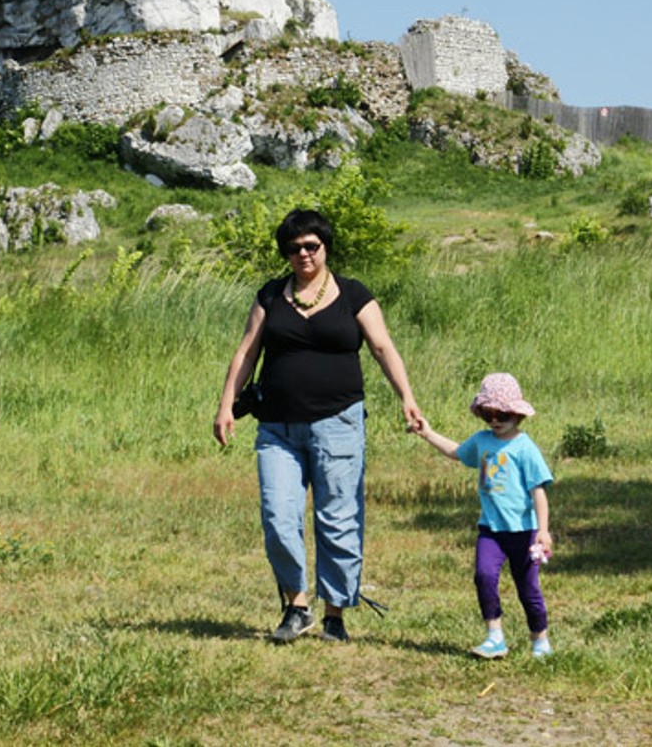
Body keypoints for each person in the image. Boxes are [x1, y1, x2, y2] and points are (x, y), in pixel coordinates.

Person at [213, 208, 426, 644]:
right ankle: (296, 605)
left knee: (339, 518)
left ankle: (335, 614)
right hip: (277, 428)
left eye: (311, 246)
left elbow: (383, 347)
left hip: (339, 423)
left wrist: (407, 397)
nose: (303, 254)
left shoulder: (353, 295)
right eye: (294, 249)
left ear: (326, 247)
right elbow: (246, 354)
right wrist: (225, 407)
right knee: (278, 516)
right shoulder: (271, 296)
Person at [411, 372, 556, 658]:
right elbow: (456, 452)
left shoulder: (525, 447)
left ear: (516, 413)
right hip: (490, 529)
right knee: (484, 576)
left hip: (524, 532)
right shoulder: (481, 441)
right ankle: (494, 637)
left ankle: (540, 640)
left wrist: (543, 530)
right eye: (487, 414)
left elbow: (538, 491)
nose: (494, 421)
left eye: (500, 414)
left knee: (528, 589)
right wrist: (427, 433)